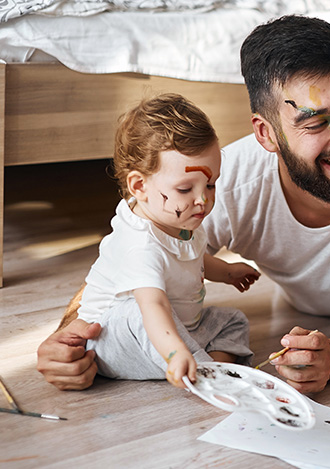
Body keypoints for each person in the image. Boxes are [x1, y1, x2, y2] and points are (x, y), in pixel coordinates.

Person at [37, 15, 330, 393]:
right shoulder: (222, 182)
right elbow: (125, 263)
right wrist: (70, 338)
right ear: (266, 134)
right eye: (315, 121)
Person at [77, 93, 259, 388]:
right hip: (114, 340)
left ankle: (211, 367)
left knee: (233, 319)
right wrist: (175, 351)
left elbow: (194, 256)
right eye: (185, 189)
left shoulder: (181, 219)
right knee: (136, 309)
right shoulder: (139, 244)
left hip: (176, 327)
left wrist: (227, 272)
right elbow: (154, 306)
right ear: (140, 186)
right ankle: (200, 370)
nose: (203, 200)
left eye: (210, 185)